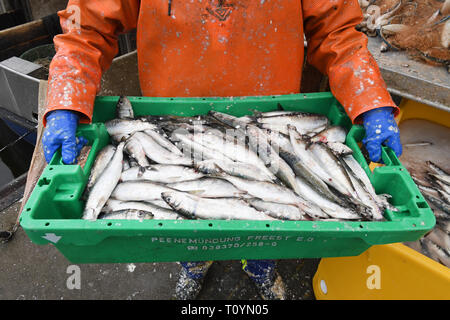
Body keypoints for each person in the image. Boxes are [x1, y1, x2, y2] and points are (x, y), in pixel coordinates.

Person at [41, 0, 402, 300]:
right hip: (174, 124)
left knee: (269, 219)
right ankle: (194, 262)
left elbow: (337, 29)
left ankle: (261, 264)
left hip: (265, 127)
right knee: (184, 214)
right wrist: (65, 101)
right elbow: (85, 25)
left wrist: (369, 99)